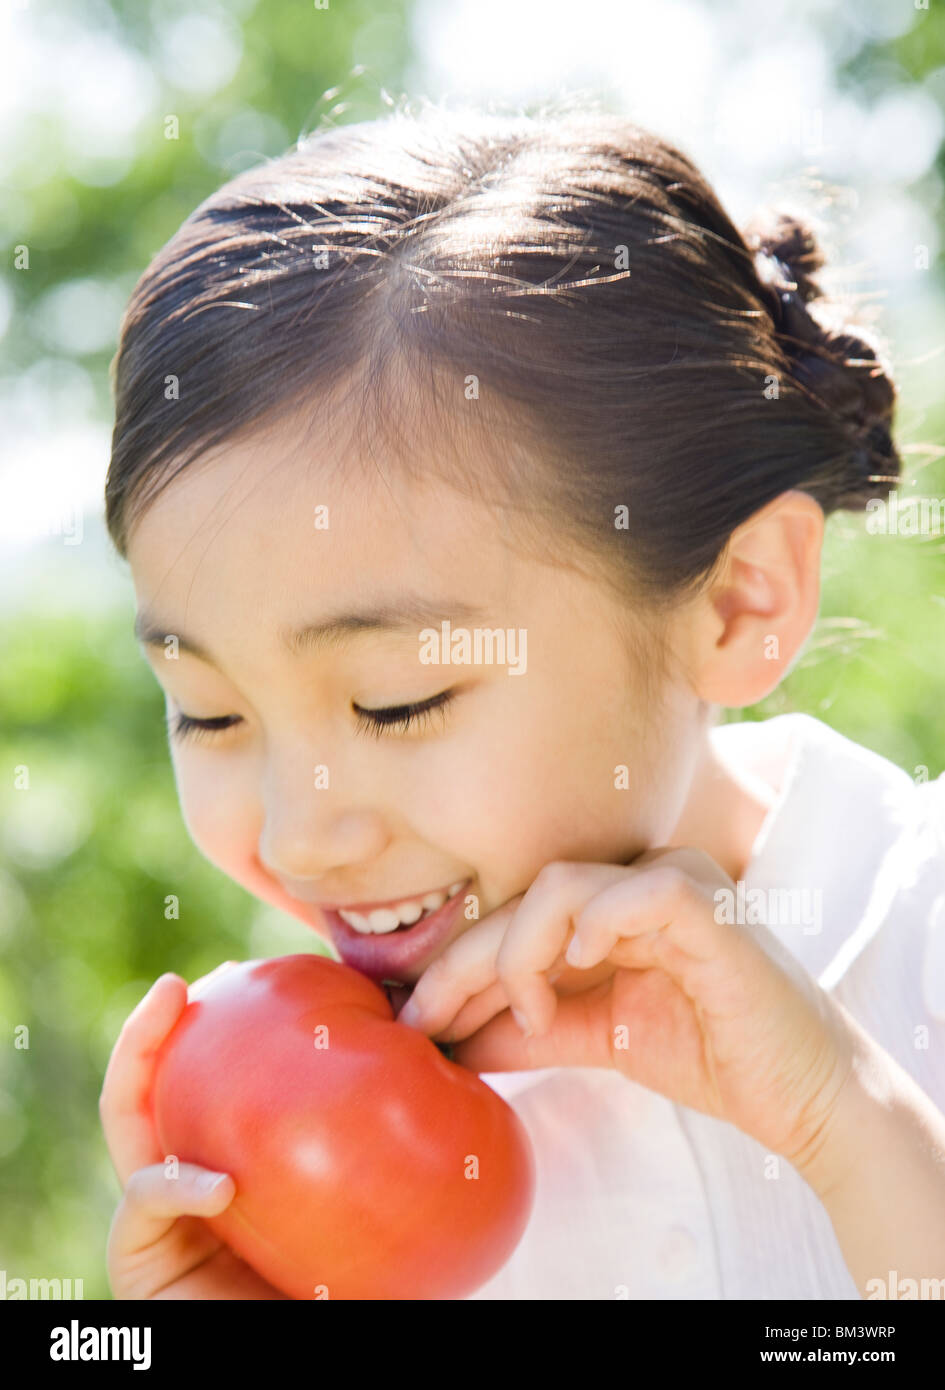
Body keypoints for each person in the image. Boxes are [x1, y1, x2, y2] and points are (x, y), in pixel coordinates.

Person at [98, 99, 945, 1300]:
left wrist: (838, 1112)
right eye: (208, 712)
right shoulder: (324, 1157)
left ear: (740, 603)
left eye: (394, 703)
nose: (296, 835)